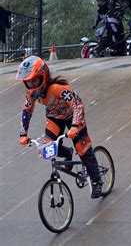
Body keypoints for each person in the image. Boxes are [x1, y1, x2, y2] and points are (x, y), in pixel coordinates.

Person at [15, 56, 103, 198]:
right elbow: (26, 111)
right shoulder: (31, 94)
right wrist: (23, 134)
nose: (31, 85)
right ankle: (67, 152)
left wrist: (75, 126)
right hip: (55, 117)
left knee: (83, 148)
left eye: (34, 80)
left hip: (73, 115)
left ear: (43, 76)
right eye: (28, 82)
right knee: (48, 148)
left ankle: (96, 180)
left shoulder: (57, 88)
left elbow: (77, 105)